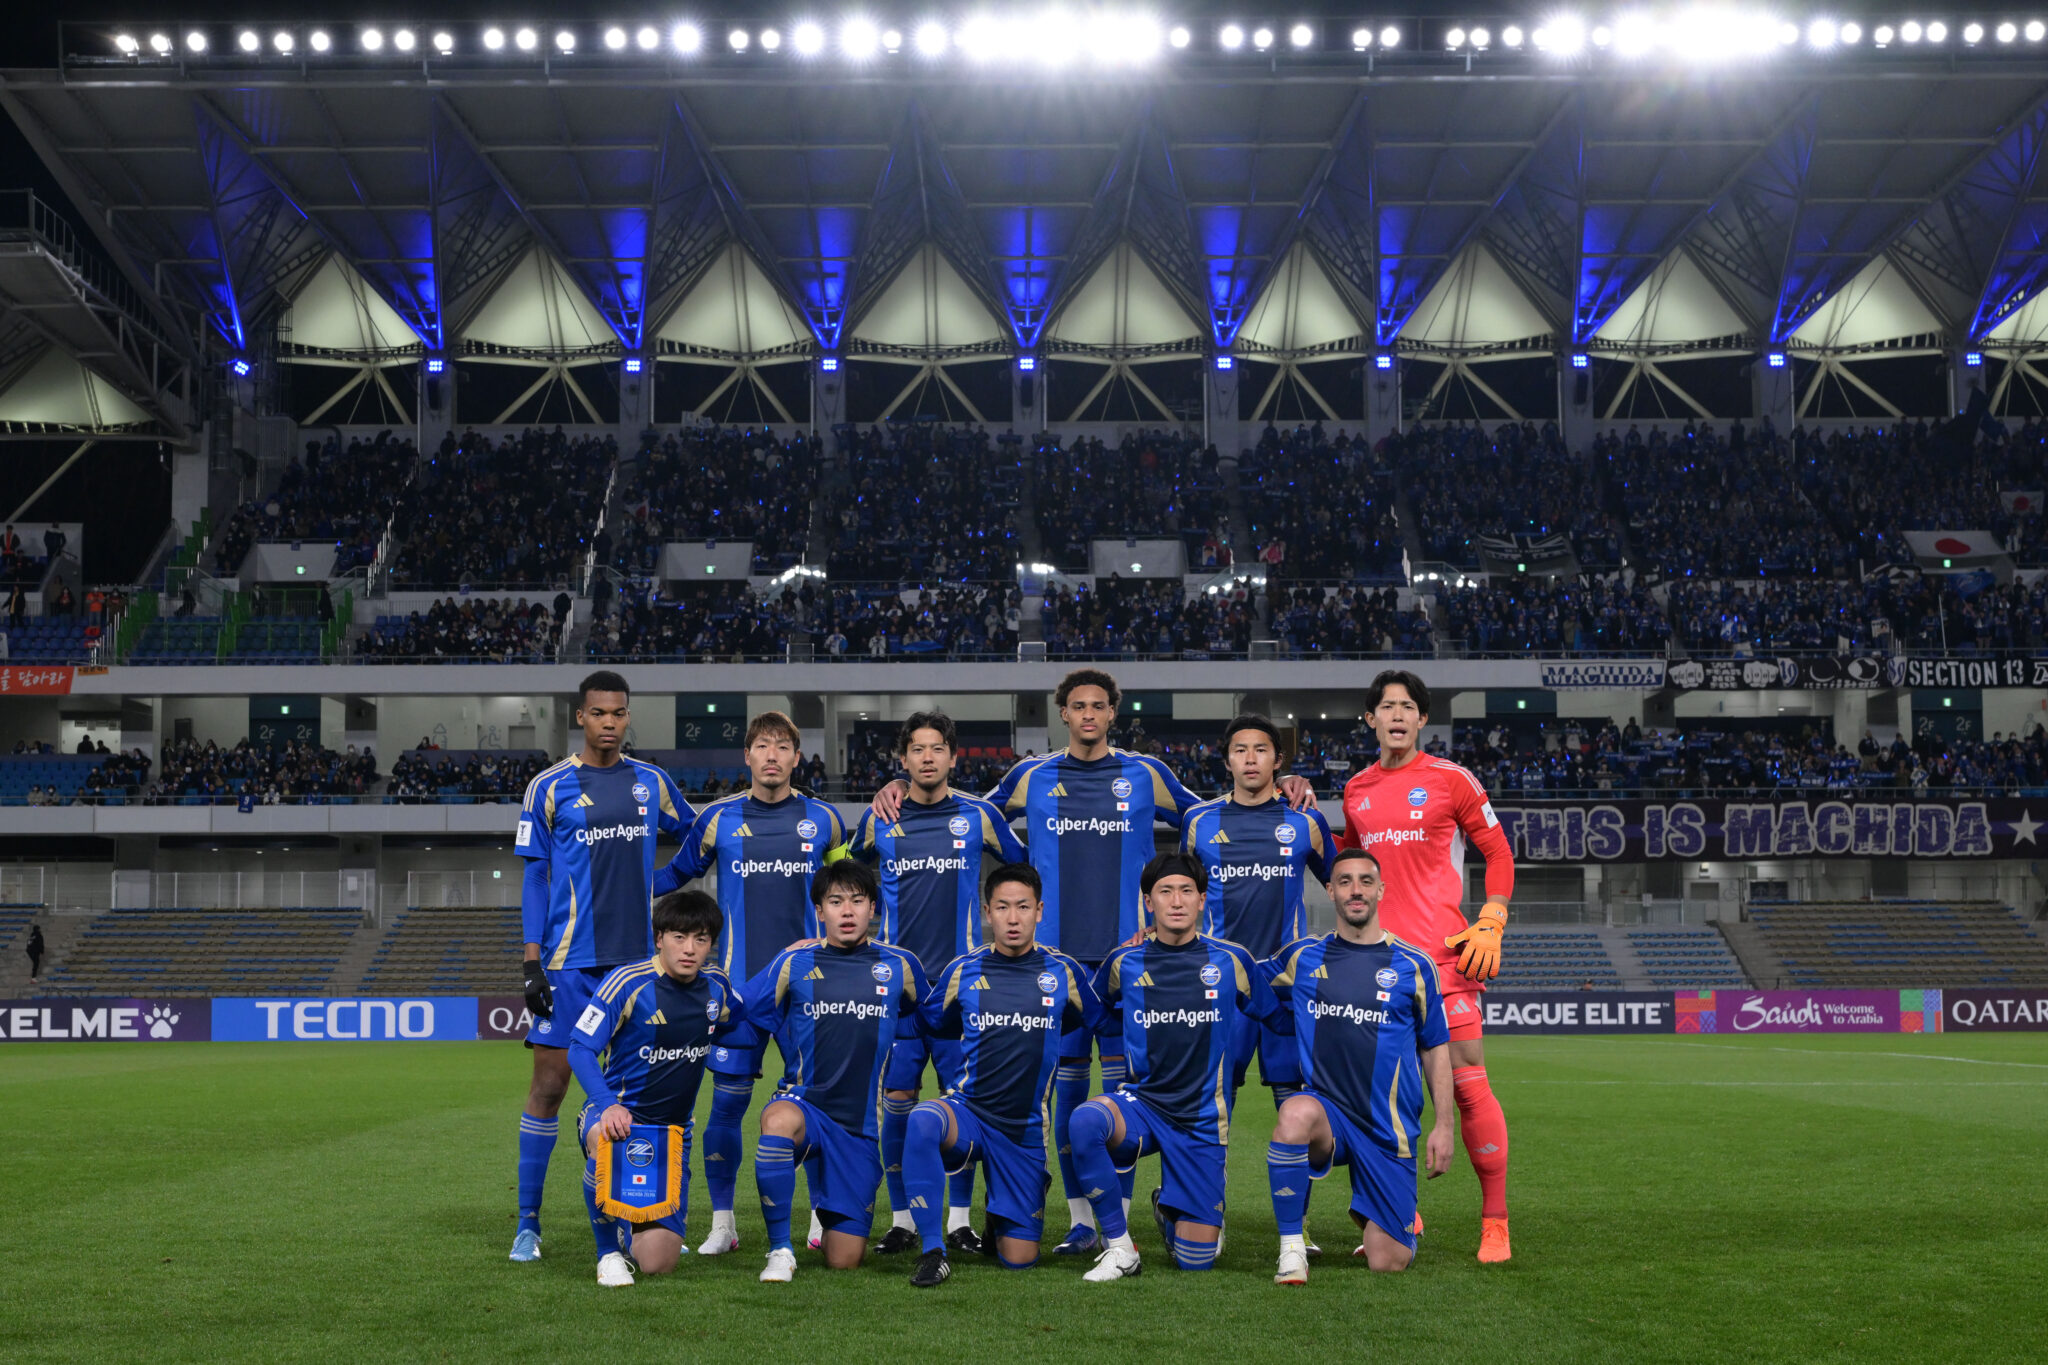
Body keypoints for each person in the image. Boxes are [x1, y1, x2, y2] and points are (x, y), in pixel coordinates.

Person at [869, 668, 1315, 1254]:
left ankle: (1121, 1223)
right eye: (1077, 705)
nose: (1087, 714)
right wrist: (898, 785)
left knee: (1127, 1093)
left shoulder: (1146, 774)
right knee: (1065, 1094)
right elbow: (964, 809)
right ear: (1064, 713)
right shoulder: (1031, 776)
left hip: (1131, 964)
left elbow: (1211, 813)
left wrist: (1285, 784)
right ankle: (1082, 1222)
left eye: (1098, 706)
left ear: (1111, 713)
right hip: (1054, 968)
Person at [507, 670, 694, 1265]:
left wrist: (656, 884)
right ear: (581, 717)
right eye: (598, 713)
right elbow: (535, 876)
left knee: (639, 1094)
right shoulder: (548, 787)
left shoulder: (652, 782)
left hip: (637, 967)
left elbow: (698, 839)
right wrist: (531, 962)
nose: (609, 722)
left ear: (627, 716)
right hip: (568, 966)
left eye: (618, 713)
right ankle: (528, 1223)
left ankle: (636, 1209)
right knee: (549, 1086)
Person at [1335, 669, 1516, 1263]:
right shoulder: (1357, 789)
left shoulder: (1451, 780)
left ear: (1421, 719)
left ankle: (1495, 1220)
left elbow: (1498, 852)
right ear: (1370, 719)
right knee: (1386, 1094)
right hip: (1378, 965)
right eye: (1386, 706)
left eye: (1407, 706)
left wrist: (1491, 918)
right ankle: (1399, 1211)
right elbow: (1347, 864)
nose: (1397, 715)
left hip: (1442, 961)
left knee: (1467, 1083)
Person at [652, 710, 846, 1256]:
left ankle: (821, 1217)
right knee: (726, 1107)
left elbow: (847, 886)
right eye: (762, 746)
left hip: (809, 990)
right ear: (747, 755)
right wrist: (614, 874)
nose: (772, 756)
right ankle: (723, 1223)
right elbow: (675, 875)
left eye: (783, 746)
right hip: (738, 993)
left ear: (796, 757)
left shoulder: (825, 820)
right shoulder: (718, 818)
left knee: (817, 1103)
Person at [847, 710, 1027, 1255]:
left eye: (937, 748)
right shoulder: (880, 817)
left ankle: (959, 1221)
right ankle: (902, 1219)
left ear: (953, 755)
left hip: (963, 990)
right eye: (917, 750)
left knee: (962, 1104)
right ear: (903, 759)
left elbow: (1022, 871)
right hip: (898, 991)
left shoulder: (979, 815)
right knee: (897, 1102)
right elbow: (842, 872)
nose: (927, 758)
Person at [1068, 852, 1281, 1282]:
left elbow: (1276, 1016)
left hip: (1201, 1120)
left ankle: (1170, 1207)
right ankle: (1120, 1247)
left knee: (1195, 1261)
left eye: (1187, 891)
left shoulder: (1232, 961)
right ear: (1149, 902)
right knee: (1086, 1121)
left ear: (1202, 900)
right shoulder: (1125, 961)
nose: (1177, 901)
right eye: (1165, 891)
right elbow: (1095, 1011)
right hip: (1143, 1106)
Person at [901, 862, 1103, 1287]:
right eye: (1003, 907)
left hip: (1022, 1131)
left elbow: (1100, 1018)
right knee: (922, 1119)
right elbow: (926, 1022)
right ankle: (934, 1251)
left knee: (1019, 1259)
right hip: (969, 1114)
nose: (1013, 918)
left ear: (1039, 911)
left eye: (1023, 907)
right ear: (986, 912)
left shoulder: (1064, 972)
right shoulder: (964, 970)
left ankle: (1002, 1213)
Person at [1263, 848, 1455, 1284]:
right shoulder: (1302, 957)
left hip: (1388, 1129)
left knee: (1388, 1262)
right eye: (1345, 881)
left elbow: (1435, 1048)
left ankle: (1380, 1214)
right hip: (1328, 1116)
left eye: (1366, 881)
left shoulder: (1414, 965)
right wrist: (1159, 938)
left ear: (1381, 891)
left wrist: (1445, 1125)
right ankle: (1292, 1249)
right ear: (1330, 891)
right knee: (1294, 1112)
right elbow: (1238, 976)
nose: (1356, 891)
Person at [1179, 713, 1336, 1246]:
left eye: (1261, 749)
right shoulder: (1200, 822)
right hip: (1220, 987)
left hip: (1285, 987)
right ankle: (1209, 1214)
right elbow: (1175, 892)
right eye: (1240, 750)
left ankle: (1299, 1224)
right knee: (1213, 1104)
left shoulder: (1304, 821)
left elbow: (1344, 882)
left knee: (1294, 1104)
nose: (1250, 759)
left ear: (1278, 760)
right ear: (1226, 760)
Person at [735, 861, 926, 1281]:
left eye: (857, 901)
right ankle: (780, 1249)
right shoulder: (795, 962)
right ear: (819, 911)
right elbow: (745, 1011)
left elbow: (929, 1019)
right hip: (805, 1106)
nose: (847, 911)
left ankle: (830, 1207)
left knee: (845, 1259)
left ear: (873, 908)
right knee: (777, 1121)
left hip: (859, 1127)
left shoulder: (900, 965)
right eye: (835, 901)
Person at [566, 889, 742, 1287]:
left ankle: (628, 1223)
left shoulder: (716, 986)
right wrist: (607, 1105)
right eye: (679, 937)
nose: (689, 949)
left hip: (673, 1135)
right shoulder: (626, 982)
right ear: (659, 938)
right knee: (604, 1139)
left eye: (700, 939)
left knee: (658, 1263)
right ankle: (607, 1254)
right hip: (619, 1117)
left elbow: (743, 1014)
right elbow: (579, 1048)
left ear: (711, 944)